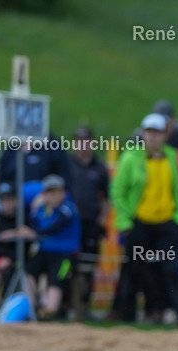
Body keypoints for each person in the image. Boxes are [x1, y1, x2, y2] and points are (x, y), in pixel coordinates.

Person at [110, 113, 178, 325]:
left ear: (165, 135)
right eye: (149, 132)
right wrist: (125, 222)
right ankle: (126, 316)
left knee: (172, 269)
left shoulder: (172, 157)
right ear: (143, 133)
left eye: (157, 133)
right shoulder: (131, 158)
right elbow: (118, 191)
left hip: (167, 221)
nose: (153, 137)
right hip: (139, 222)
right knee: (133, 269)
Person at [25, 174, 81, 319]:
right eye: (50, 192)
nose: (54, 196)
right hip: (45, 252)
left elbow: (52, 228)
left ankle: (49, 312)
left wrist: (34, 233)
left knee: (57, 278)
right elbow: (34, 224)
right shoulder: (42, 210)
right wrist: (34, 208)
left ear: (63, 193)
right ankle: (33, 308)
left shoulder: (67, 208)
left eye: (57, 192)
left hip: (66, 254)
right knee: (28, 271)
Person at [68, 126, 110, 312]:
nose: (82, 146)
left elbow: (107, 198)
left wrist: (101, 220)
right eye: (79, 141)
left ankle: (84, 305)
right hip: (69, 225)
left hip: (91, 224)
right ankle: (66, 303)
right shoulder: (68, 165)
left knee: (89, 266)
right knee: (67, 266)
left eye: (86, 141)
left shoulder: (99, 168)